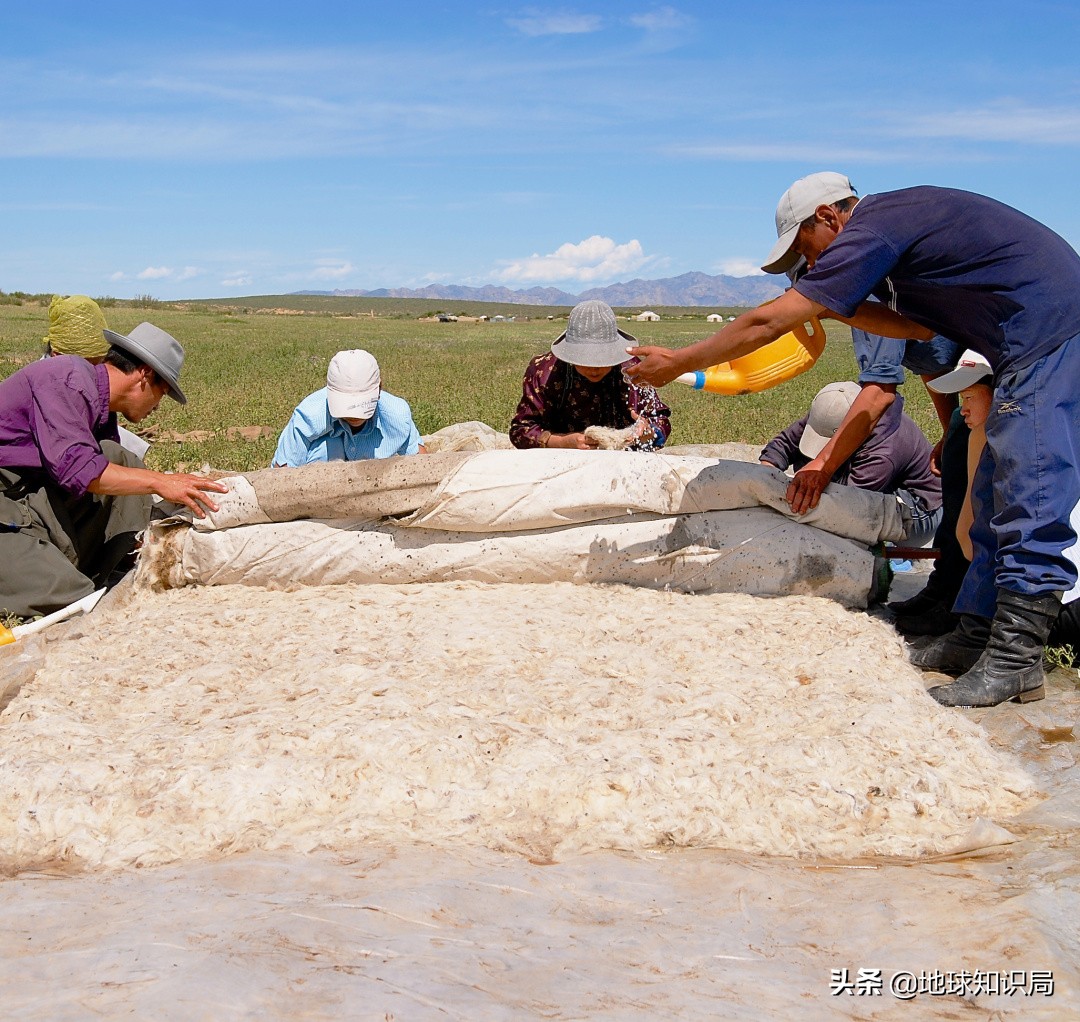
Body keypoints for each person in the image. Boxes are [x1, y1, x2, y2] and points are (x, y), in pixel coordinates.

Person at [625, 171, 1080, 708]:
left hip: (1050, 334)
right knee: (985, 499)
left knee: (1028, 493)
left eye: (805, 249)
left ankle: (1017, 659)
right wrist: (829, 301)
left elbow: (769, 321)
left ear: (828, 216)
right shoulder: (893, 251)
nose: (810, 265)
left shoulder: (878, 226)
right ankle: (976, 636)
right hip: (1018, 346)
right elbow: (916, 333)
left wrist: (681, 360)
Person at [0, 322, 228, 619]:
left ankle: (102, 569)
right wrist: (160, 482)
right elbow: (80, 471)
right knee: (74, 599)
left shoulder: (101, 407)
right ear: (145, 375)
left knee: (117, 459)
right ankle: (64, 580)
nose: (158, 406)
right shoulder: (66, 378)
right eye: (163, 391)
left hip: (25, 501)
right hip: (8, 506)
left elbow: (99, 471)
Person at [760, 380, 941, 545]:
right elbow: (782, 446)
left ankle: (891, 548)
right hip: (878, 483)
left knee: (827, 510)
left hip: (919, 513)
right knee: (809, 471)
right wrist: (766, 481)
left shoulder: (882, 453)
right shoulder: (835, 411)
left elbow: (846, 506)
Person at [510, 300, 671, 451]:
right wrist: (563, 442)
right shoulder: (544, 371)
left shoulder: (632, 370)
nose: (594, 369)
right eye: (585, 360)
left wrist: (648, 432)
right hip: (560, 458)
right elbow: (521, 430)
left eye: (603, 360)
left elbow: (660, 421)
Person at [41, 294, 151, 460]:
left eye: (99, 365)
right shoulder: (46, 386)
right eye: (86, 365)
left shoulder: (97, 386)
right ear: (57, 356)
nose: (93, 374)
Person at [272, 349, 425, 467]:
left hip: (372, 485)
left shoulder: (397, 415)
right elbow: (283, 474)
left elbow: (424, 464)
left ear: (379, 389)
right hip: (316, 489)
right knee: (329, 447)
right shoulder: (309, 415)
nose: (353, 416)